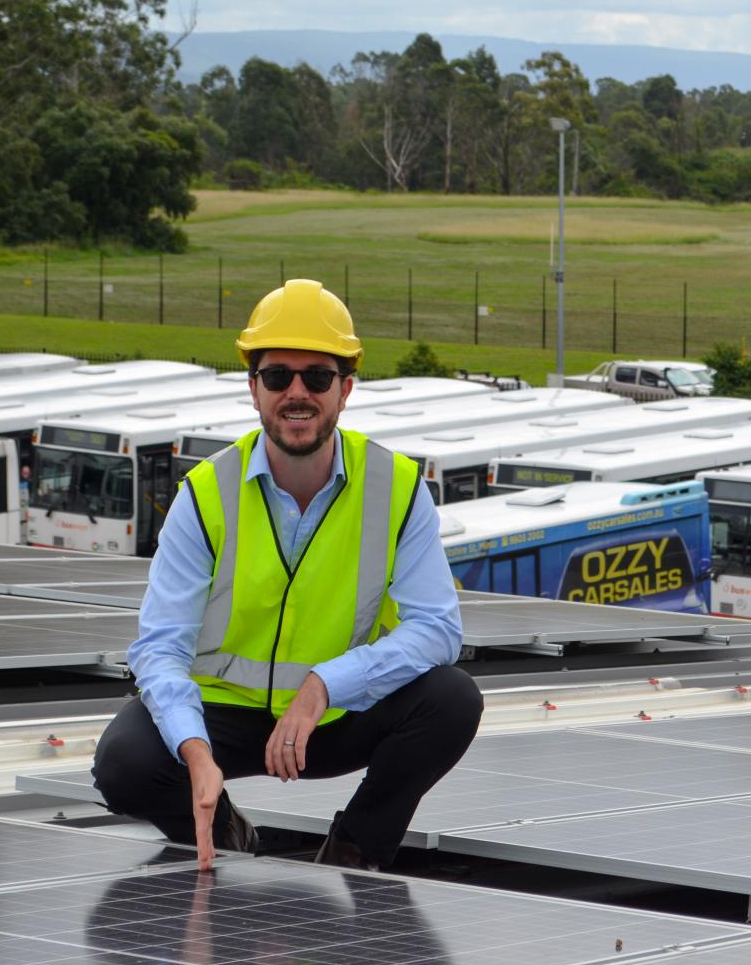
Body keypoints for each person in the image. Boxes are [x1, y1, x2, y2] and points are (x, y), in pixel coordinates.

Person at [92, 279, 482, 872]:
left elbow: (437, 629)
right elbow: (160, 646)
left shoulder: (397, 489)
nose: (296, 393)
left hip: (333, 720)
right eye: (277, 376)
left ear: (345, 389)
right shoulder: (204, 495)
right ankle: (223, 829)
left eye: (317, 377)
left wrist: (325, 685)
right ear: (254, 389)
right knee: (125, 762)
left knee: (452, 700)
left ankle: (354, 851)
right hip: (224, 717)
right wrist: (195, 751)